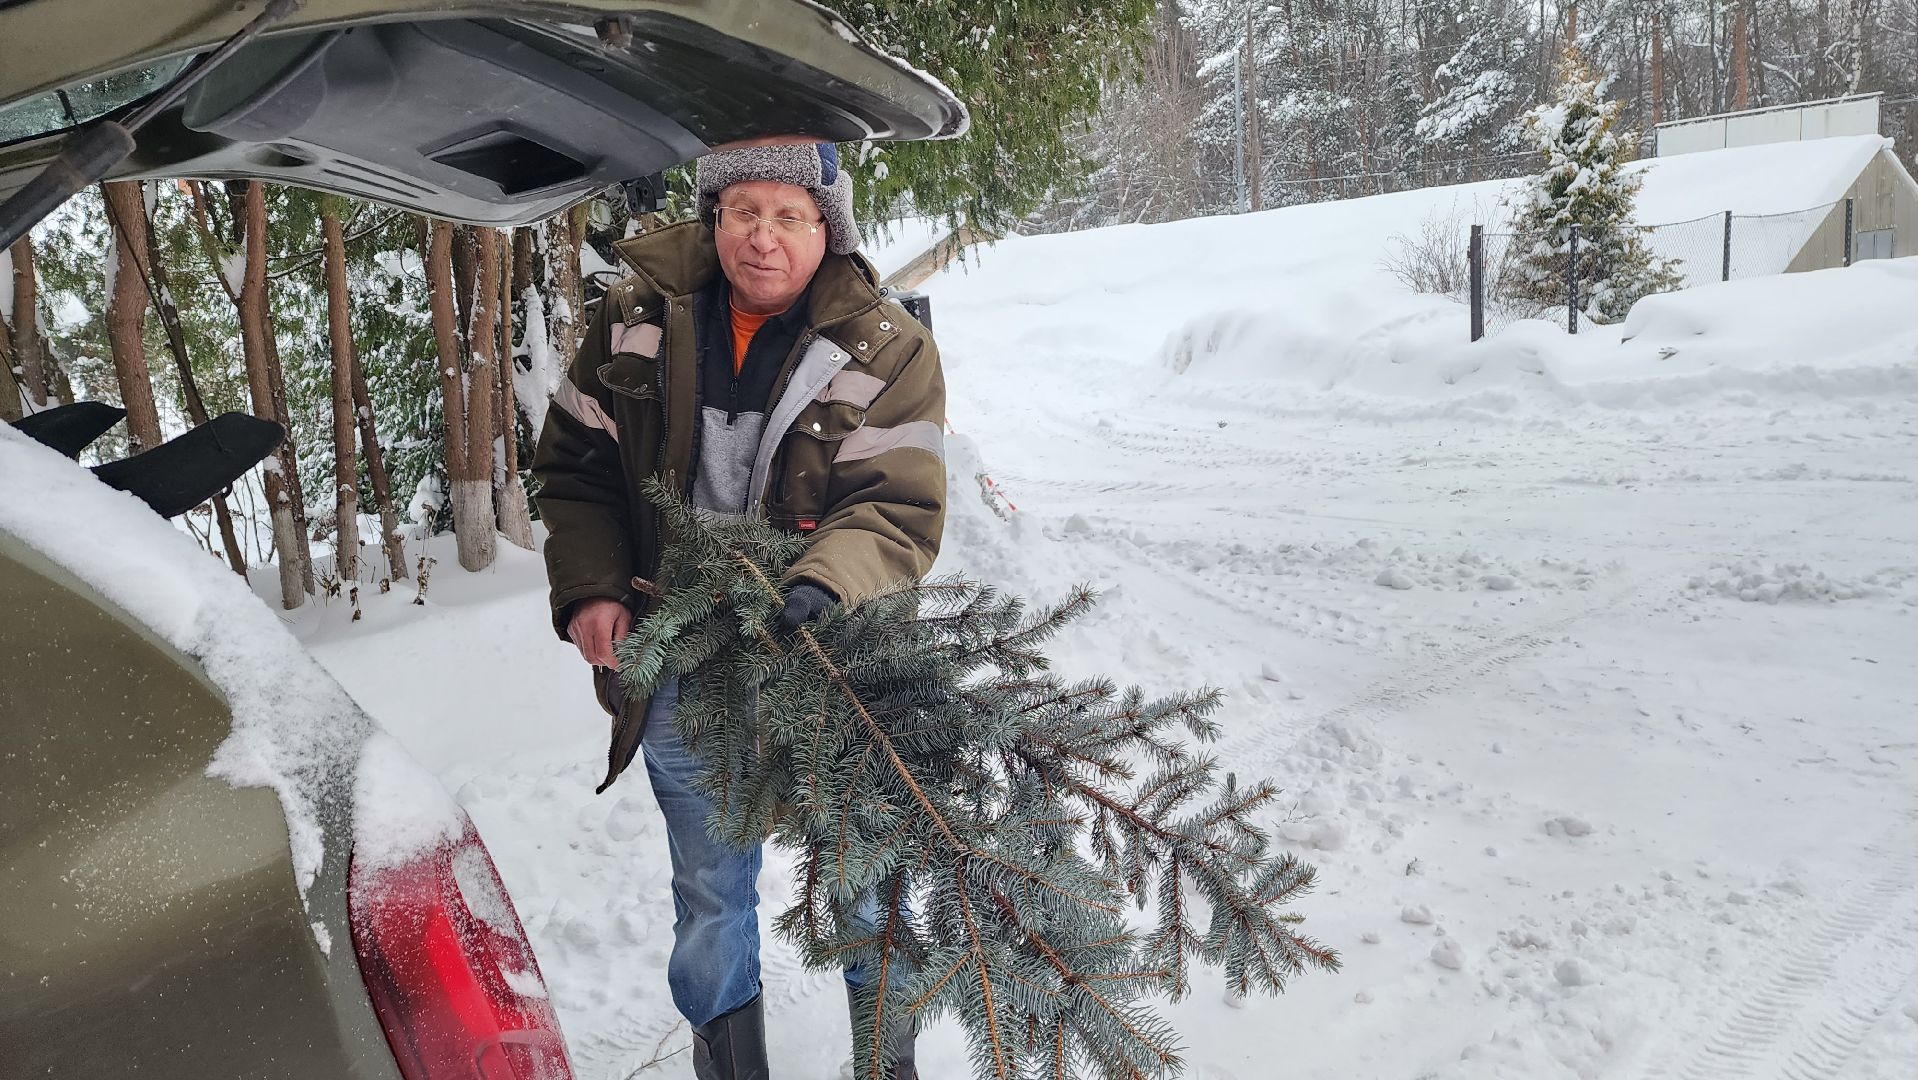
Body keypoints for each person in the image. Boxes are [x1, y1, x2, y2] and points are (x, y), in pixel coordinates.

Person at [531, 141, 945, 1080]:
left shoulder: (889, 348)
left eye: (788, 215)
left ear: (826, 227)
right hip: (680, 662)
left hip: (834, 661)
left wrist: (822, 583)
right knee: (712, 895)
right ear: (713, 217)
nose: (762, 236)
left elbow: (897, 508)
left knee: (867, 885)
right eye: (742, 211)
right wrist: (593, 587)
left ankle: (889, 1067)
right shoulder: (634, 321)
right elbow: (575, 469)